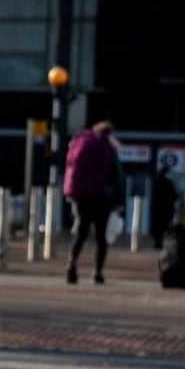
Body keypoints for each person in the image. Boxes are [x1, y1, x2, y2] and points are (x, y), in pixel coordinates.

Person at [63, 120, 124, 285]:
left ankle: (71, 265)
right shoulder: (107, 146)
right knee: (101, 236)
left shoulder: (82, 141)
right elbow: (117, 174)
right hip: (101, 197)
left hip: (80, 195)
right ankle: (97, 272)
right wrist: (120, 199)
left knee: (81, 232)